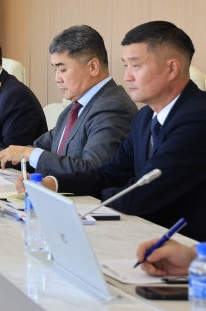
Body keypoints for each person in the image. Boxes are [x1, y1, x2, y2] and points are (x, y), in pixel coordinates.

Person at [36, 21, 206, 241]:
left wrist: (102, 196)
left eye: (136, 66)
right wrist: (54, 183)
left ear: (171, 68)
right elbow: (108, 174)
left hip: (186, 247)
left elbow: (145, 194)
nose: (127, 76)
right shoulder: (145, 118)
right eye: (126, 66)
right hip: (144, 233)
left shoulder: (198, 117)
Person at [0, 25, 137, 170]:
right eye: (55, 70)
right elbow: (34, 149)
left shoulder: (113, 107)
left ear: (93, 67)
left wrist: (31, 154)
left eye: (62, 69)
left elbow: (93, 168)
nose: (57, 78)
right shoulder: (75, 108)